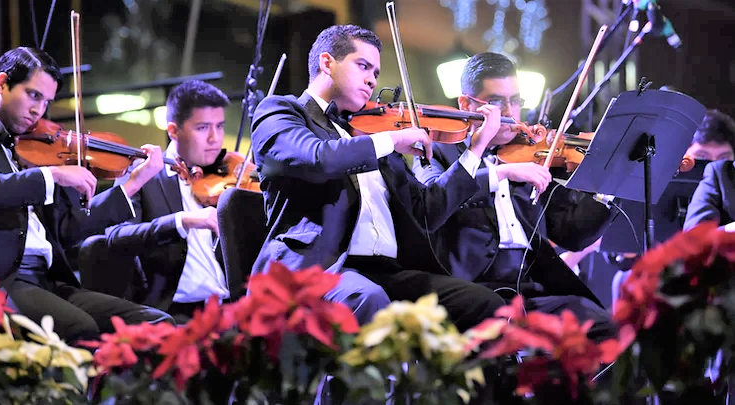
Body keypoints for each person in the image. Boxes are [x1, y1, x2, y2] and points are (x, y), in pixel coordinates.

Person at [250, 25, 505, 331]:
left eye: (376, 71)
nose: (372, 79)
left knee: (484, 303)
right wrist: (389, 142)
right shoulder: (281, 112)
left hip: (386, 272)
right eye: (363, 66)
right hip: (319, 269)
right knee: (369, 298)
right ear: (327, 63)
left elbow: (427, 211)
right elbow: (318, 158)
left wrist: (475, 150)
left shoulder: (369, 132)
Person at [0, 47, 173, 343]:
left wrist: (133, 183)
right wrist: (53, 175)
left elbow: (68, 228)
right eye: (34, 95)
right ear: (2, 83)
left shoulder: (34, 148)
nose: (39, 111)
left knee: (158, 324)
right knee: (81, 329)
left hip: (47, 280)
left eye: (46, 102)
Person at [413, 52, 618, 341]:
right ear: (465, 104)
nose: (510, 112)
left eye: (516, 101)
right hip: (471, 289)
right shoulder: (437, 151)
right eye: (496, 102)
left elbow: (573, 233)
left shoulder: (531, 154)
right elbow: (432, 203)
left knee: (601, 326)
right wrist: (496, 169)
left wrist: (609, 183)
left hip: (529, 289)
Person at [104, 80, 230, 321]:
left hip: (230, 306)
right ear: (173, 131)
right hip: (174, 312)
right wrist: (182, 221)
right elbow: (116, 236)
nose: (215, 138)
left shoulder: (226, 176)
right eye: (203, 128)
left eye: (220, 126)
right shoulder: (143, 174)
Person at [611, 108, 735, 308]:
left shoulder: (726, 177)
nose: (710, 164)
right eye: (701, 157)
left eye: (722, 157)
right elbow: (622, 256)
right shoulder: (658, 181)